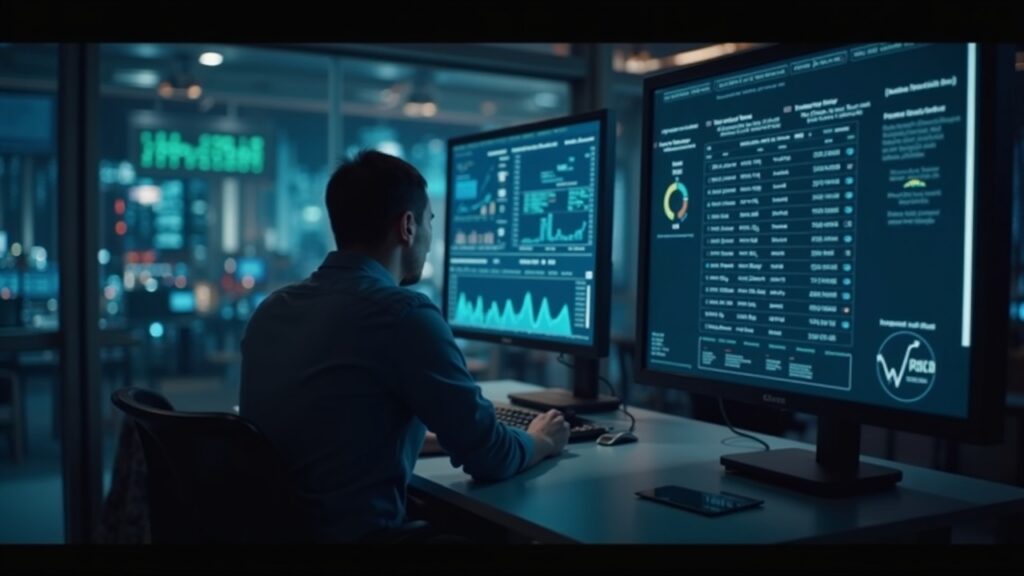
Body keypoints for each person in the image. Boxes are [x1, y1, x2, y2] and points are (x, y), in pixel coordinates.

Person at [239, 150, 570, 543]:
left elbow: (329, 433)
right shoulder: (403, 314)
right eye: (431, 222)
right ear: (408, 227)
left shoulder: (272, 309)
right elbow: (490, 457)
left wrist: (435, 438)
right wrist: (541, 439)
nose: (430, 242)